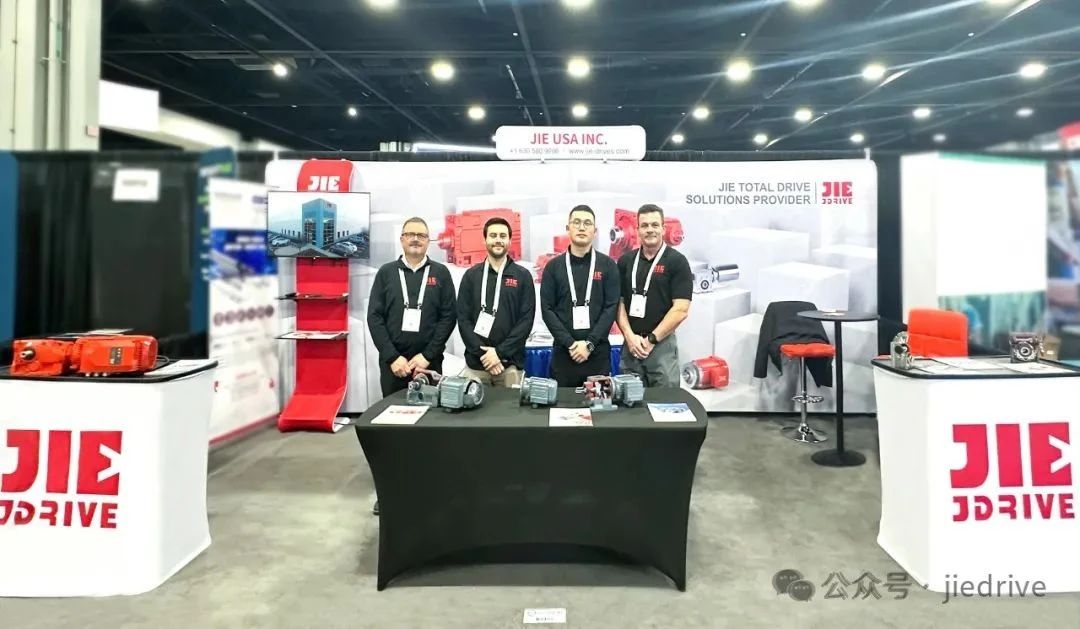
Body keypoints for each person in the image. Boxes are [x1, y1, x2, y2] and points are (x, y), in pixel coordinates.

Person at [366, 217, 456, 515]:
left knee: (431, 428)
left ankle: (430, 488)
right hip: (394, 367)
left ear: (429, 241)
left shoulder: (440, 273)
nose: (416, 239)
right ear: (402, 239)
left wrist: (427, 357)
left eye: (421, 235)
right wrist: (393, 357)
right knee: (393, 432)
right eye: (410, 234)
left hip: (429, 366)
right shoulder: (386, 273)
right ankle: (390, 493)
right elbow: (375, 318)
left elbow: (448, 317)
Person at [539, 205, 620, 388]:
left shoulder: (608, 266)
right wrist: (570, 344)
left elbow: (611, 308)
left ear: (595, 231)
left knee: (600, 405)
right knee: (563, 405)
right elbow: (547, 309)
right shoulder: (553, 267)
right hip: (564, 355)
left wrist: (590, 344)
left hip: (597, 356)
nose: (582, 227)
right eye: (576, 222)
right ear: (568, 228)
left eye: (587, 223)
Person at [615, 204, 693, 387]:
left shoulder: (677, 262)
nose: (650, 229)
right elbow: (618, 303)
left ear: (663, 228)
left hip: (661, 347)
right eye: (644, 225)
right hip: (631, 346)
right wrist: (629, 336)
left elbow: (681, 309)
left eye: (655, 225)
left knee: (664, 401)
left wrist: (652, 339)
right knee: (629, 400)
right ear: (637, 230)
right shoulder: (625, 261)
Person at [457, 217, 535, 387]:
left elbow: (525, 321)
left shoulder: (523, 276)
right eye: (493, 235)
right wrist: (485, 356)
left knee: (509, 405)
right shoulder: (471, 276)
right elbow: (463, 320)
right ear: (485, 240)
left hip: (509, 366)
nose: (498, 240)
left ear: (509, 240)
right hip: (477, 366)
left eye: (502, 236)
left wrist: (499, 353)